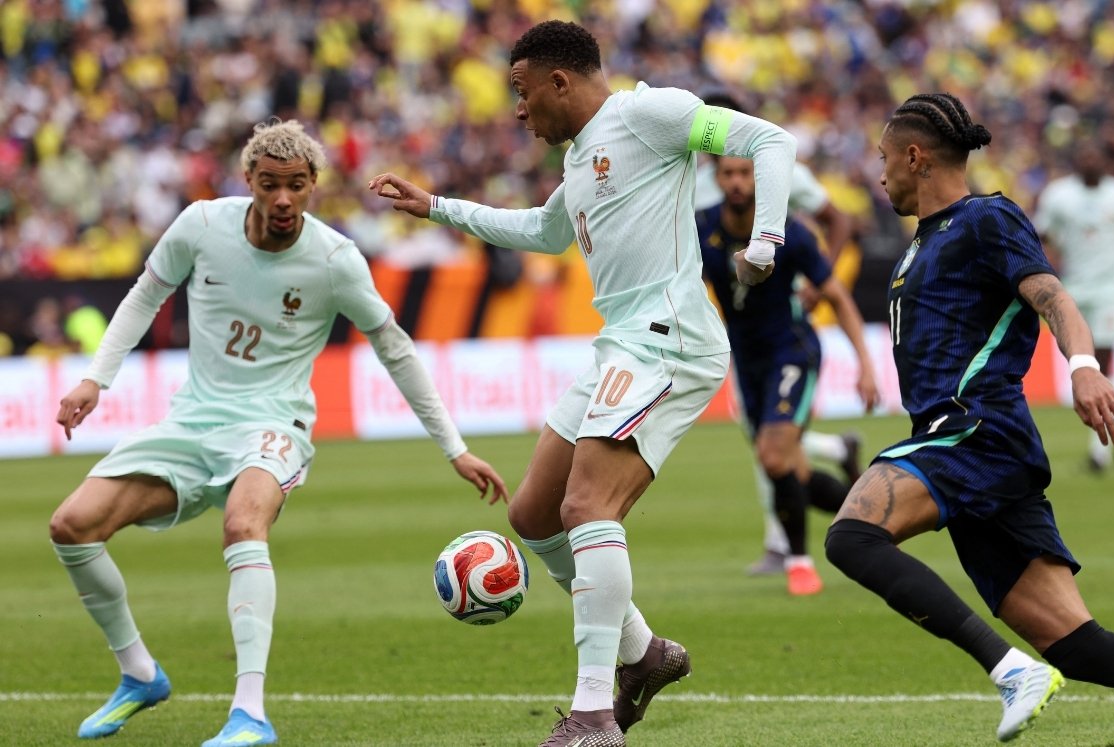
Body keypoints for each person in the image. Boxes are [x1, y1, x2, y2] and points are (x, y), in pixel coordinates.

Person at [370, 20, 796, 747]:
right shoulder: (578, 158)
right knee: (534, 514)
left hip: (669, 337)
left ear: (559, 82)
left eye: (522, 91)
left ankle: (596, 712)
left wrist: (766, 238)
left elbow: (771, 141)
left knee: (587, 503)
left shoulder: (647, 114)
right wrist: (436, 206)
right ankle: (643, 653)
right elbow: (543, 232)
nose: (517, 109)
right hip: (619, 344)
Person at [50, 119, 508, 747]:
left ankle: (250, 713)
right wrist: (94, 381)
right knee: (71, 527)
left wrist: (454, 447)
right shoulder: (201, 227)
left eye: (296, 185)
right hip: (193, 420)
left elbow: (395, 349)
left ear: (314, 184)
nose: (284, 199)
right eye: (271, 185)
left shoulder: (334, 259)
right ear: (250, 183)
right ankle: (139, 674)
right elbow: (144, 295)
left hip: (274, 424)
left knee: (243, 524)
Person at [824, 92, 1114, 742]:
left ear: (916, 157)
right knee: (1082, 646)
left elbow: (1052, 295)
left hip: (975, 433)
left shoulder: (987, 219)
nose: (877, 173)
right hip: (967, 449)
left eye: (884, 158)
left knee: (851, 536)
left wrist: (1083, 367)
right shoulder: (921, 242)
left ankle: (1007, 668)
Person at [696, 90, 863, 576]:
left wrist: (819, 278)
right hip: (738, 340)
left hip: (783, 331)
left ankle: (785, 548)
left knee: (774, 446)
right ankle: (849, 477)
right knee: (769, 446)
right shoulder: (690, 179)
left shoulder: (775, 163)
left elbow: (837, 218)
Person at [1033, 141, 1114, 472]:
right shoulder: (1059, 196)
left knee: (1102, 362)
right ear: (1076, 162)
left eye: (1095, 156)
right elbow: (1043, 234)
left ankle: (1099, 453)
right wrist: (1050, 264)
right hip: (1072, 289)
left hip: (1110, 289)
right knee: (1084, 363)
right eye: (1084, 156)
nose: (1089, 161)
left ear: (1105, 162)